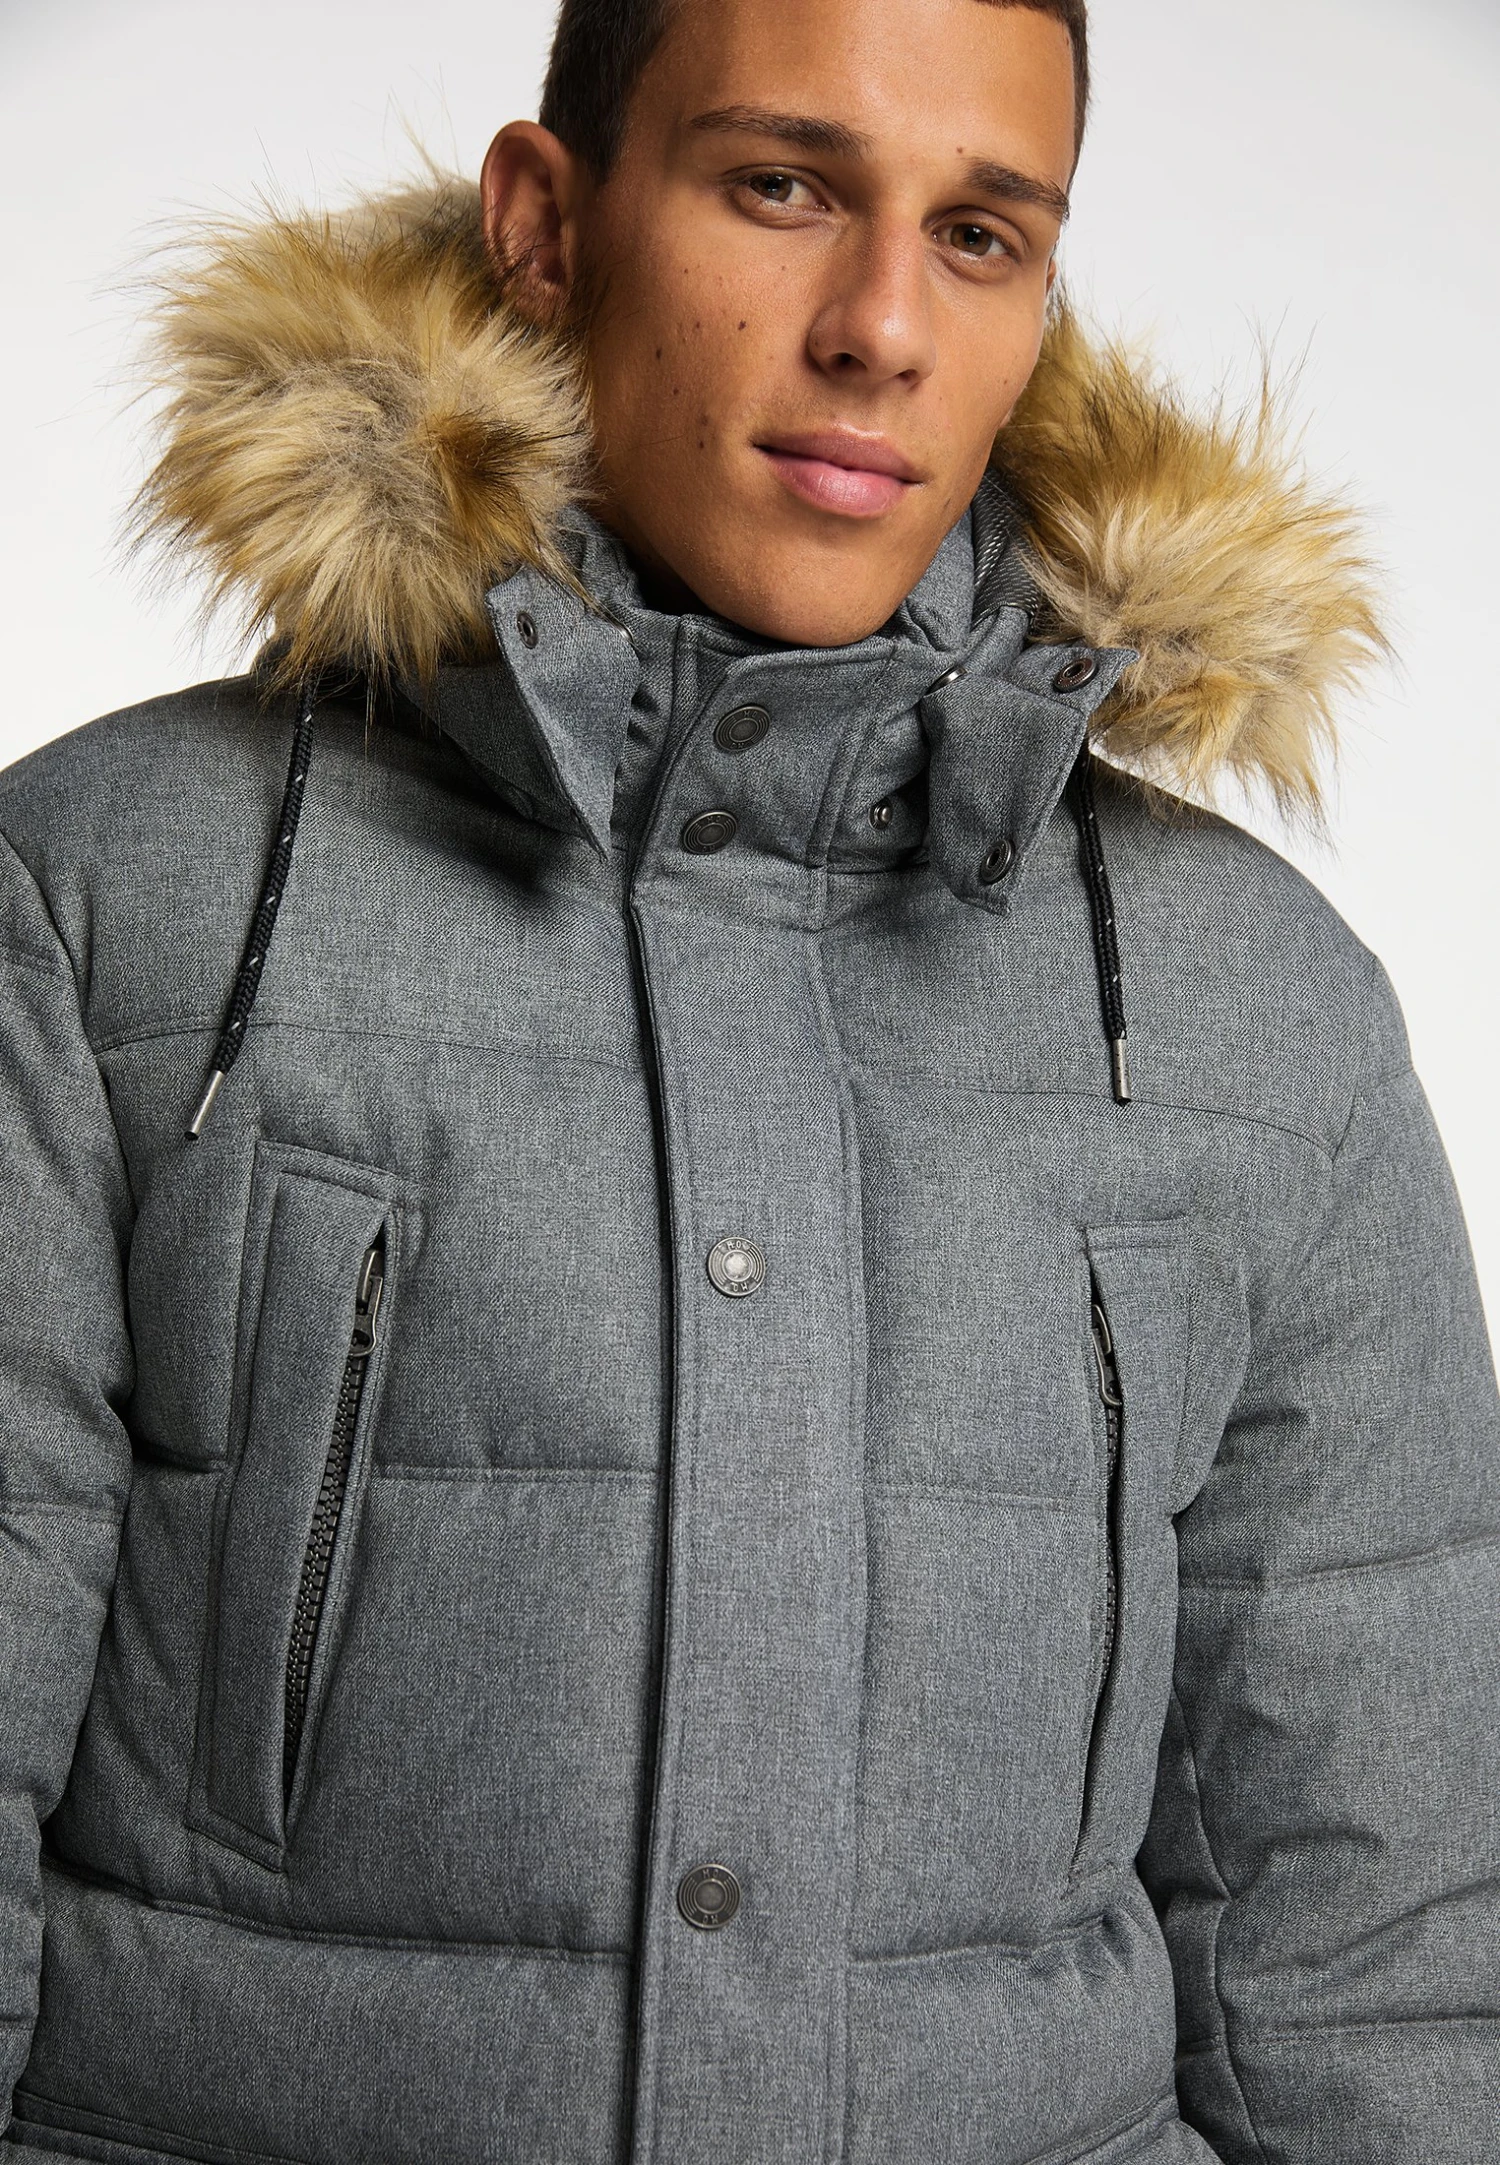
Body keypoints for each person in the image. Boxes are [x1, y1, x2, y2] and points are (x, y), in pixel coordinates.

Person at [1, 0, 1495, 2158]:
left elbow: (1382, 1960)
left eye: (980, 235)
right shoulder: (106, 901)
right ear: (547, 223)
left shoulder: (1254, 1012)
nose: (881, 326)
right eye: (783, 186)